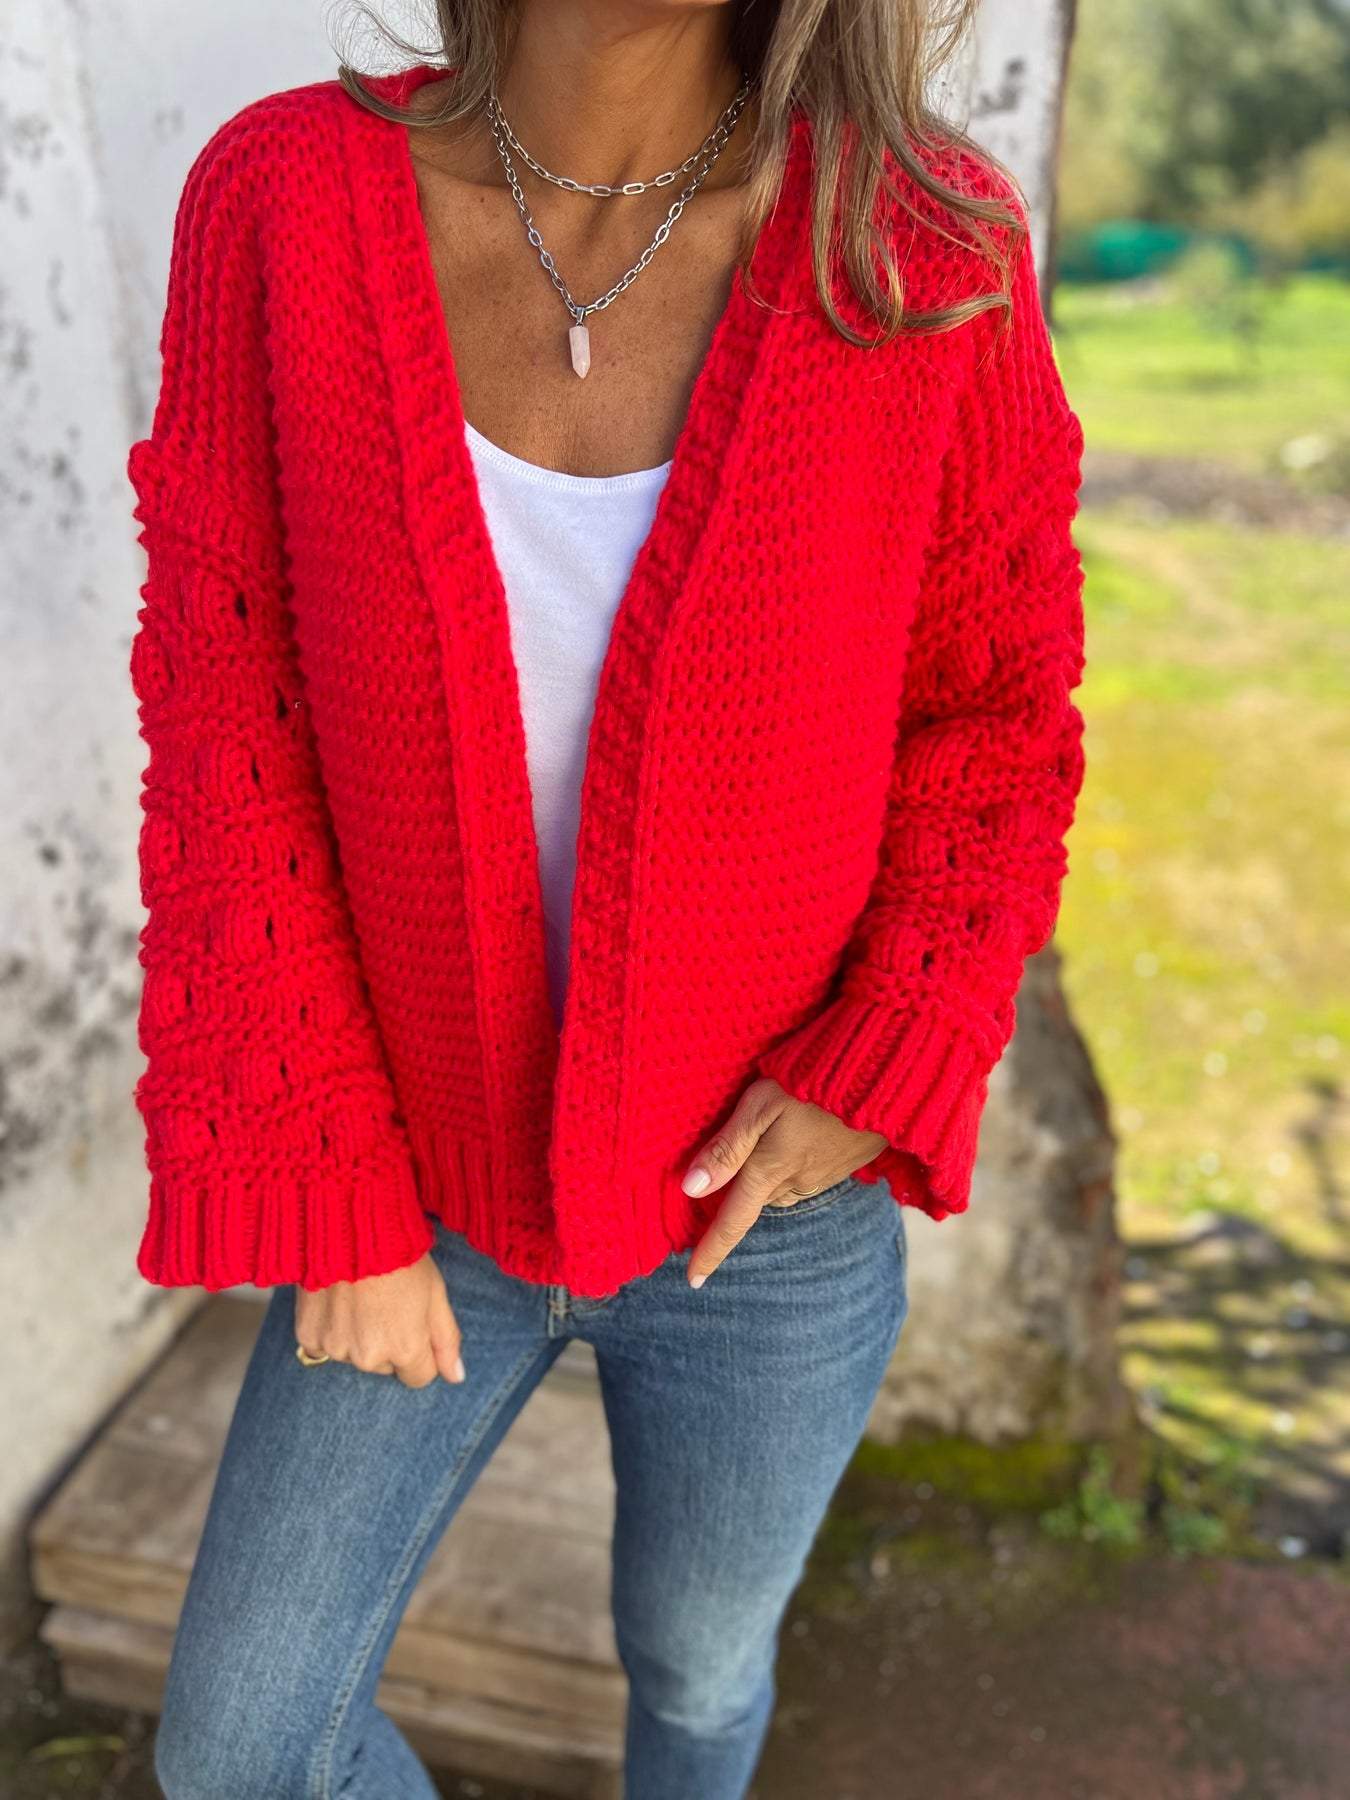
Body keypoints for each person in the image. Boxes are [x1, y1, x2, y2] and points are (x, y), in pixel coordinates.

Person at [129, 2, 1086, 1795]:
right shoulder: (283, 201)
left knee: (700, 1670)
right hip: (414, 1177)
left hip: (766, 1206)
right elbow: (224, 715)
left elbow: (995, 715)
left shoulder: (915, 247)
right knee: (241, 1752)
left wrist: (882, 1053)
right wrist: (327, 1181)